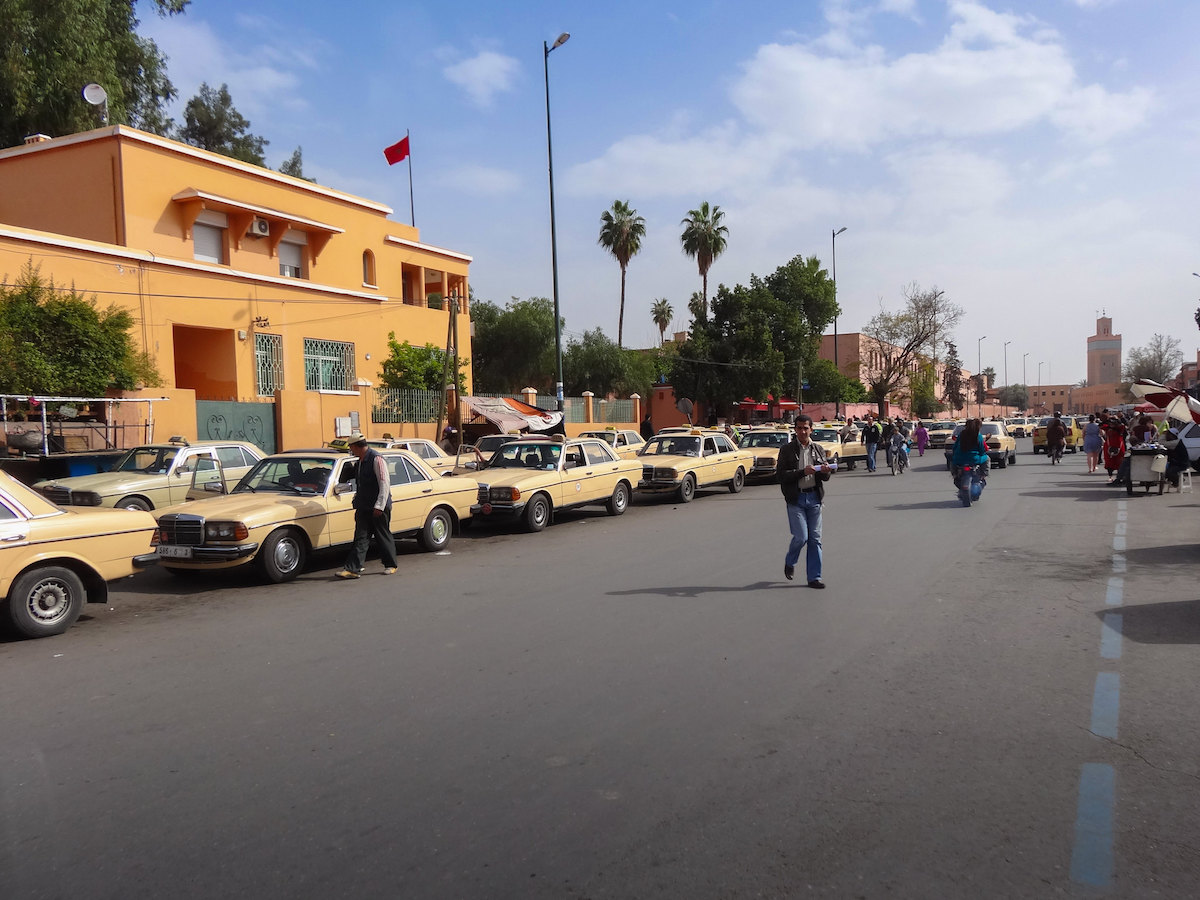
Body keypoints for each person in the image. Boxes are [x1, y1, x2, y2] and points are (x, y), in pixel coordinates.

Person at [777, 415, 832, 588]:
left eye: (805, 428)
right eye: (799, 428)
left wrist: (824, 470)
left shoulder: (817, 449)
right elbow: (781, 476)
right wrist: (802, 472)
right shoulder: (787, 450)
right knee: (801, 537)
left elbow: (826, 477)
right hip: (796, 498)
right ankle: (790, 561)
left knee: (815, 539)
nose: (802, 431)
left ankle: (814, 577)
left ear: (811, 429)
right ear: (795, 430)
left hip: (814, 497)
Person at [336, 433, 398, 579]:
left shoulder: (376, 459)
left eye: (351, 447)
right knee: (361, 537)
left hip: (378, 506)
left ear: (357, 446)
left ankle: (391, 564)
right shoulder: (360, 462)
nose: (351, 451)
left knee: (382, 535)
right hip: (363, 506)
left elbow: (384, 483)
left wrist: (379, 505)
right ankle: (353, 569)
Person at [950, 418, 990, 506]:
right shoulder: (977, 435)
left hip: (959, 460)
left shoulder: (961, 434)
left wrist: (955, 455)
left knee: (953, 461)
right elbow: (982, 450)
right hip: (974, 459)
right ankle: (983, 475)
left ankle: (954, 474)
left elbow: (955, 447)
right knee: (987, 458)